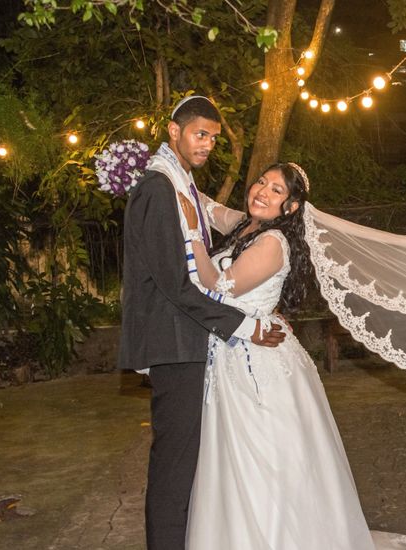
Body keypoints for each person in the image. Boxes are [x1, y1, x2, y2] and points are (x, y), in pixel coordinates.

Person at [176, 163, 406, 549]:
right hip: (228, 358)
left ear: (292, 206)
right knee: (230, 463)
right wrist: (172, 178)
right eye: (261, 181)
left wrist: (191, 232)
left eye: (276, 190)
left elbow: (220, 286)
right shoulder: (244, 227)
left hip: (258, 367)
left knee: (266, 459)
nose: (262, 191)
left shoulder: (273, 242)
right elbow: (209, 206)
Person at [117, 96, 286, 550]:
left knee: (190, 459)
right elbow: (175, 284)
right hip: (174, 342)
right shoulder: (157, 188)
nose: (208, 144)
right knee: (175, 462)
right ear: (174, 132)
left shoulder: (181, 185)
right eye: (200, 134)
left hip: (190, 339)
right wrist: (245, 326)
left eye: (213, 136)